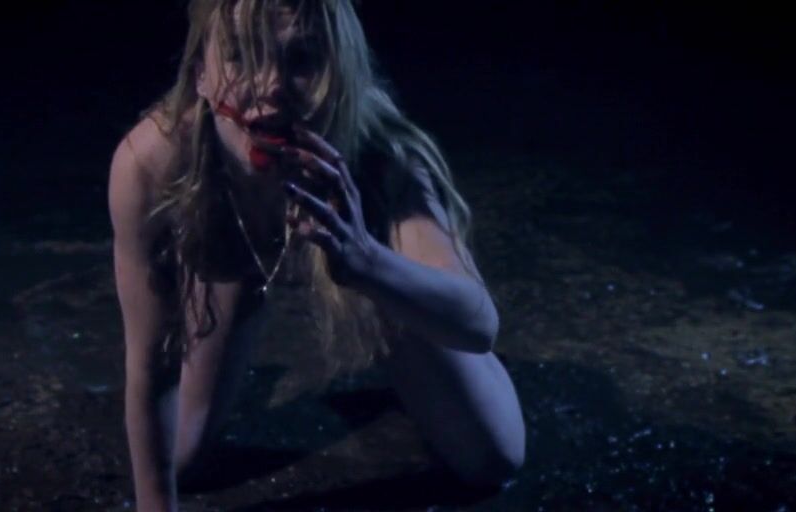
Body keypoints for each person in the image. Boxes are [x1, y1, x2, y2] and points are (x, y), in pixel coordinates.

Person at [107, 1, 525, 509]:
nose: (271, 86)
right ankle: (244, 280)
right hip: (236, 252)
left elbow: (479, 324)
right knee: (178, 457)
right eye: (241, 55)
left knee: (492, 459)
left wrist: (368, 261)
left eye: (301, 59)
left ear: (339, 72)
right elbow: (150, 363)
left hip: (367, 263)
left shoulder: (381, 154)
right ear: (200, 74)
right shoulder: (150, 166)